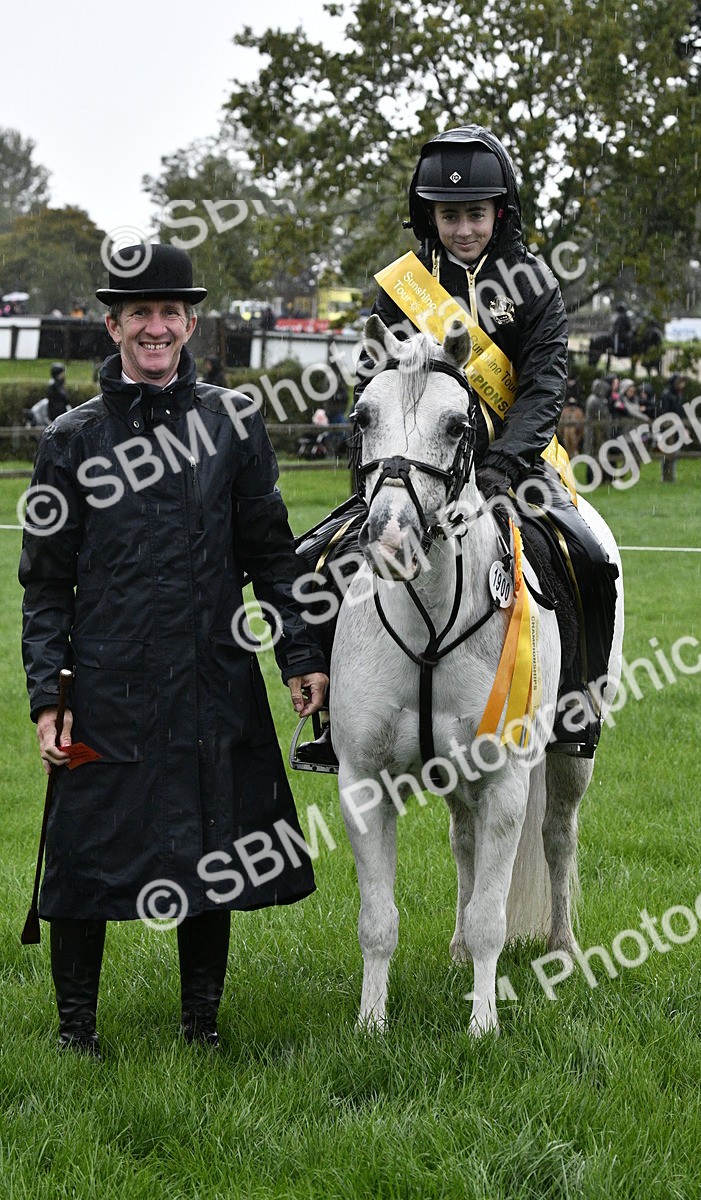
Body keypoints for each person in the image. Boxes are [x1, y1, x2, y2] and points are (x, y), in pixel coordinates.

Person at [19, 243, 328, 1056]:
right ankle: (74, 1033)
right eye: (139, 313)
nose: (156, 328)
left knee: (211, 847)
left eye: (171, 313)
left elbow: (272, 552)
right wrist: (49, 695)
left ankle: (202, 1026)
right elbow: (45, 585)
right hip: (104, 684)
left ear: (191, 322)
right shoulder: (68, 441)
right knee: (85, 854)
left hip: (211, 677)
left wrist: (301, 653)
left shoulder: (235, 423)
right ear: (111, 323)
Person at [295, 125, 619, 766]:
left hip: (516, 465)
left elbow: (545, 384)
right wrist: (383, 470)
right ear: (430, 216)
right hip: (415, 468)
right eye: (450, 216)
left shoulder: (534, 283)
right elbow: (375, 388)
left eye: (475, 214)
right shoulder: (400, 288)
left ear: (499, 212)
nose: (464, 228)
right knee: (317, 558)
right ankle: (339, 725)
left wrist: (501, 464)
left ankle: (572, 713)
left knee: (587, 560)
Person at [658, 373, 687, 482]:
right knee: (667, 453)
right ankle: (665, 476)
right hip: (668, 428)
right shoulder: (666, 395)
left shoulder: (679, 396)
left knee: (675, 453)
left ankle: (671, 476)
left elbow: (681, 412)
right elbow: (664, 412)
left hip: (678, 427)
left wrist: (683, 427)